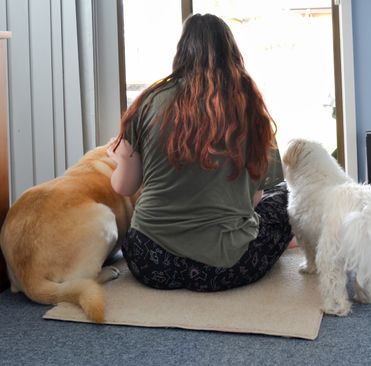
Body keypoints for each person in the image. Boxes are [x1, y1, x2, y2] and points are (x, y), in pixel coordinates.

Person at [107, 13, 293, 292]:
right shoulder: (251, 108)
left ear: (181, 52)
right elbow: (253, 200)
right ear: (232, 53)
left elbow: (124, 186)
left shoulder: (150, 100)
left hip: (150, 261)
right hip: (224, 267)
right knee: (287, 197)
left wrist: (122, 158)